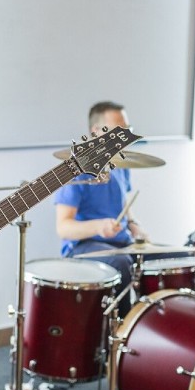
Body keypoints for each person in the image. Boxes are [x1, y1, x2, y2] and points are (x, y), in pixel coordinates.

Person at [53, 101, 147, 318]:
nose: (126, 135)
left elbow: (123, 205)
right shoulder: (75, 169)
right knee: (122, 264)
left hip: (119, 242)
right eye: (119, 130)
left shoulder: (121, 163)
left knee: (165, 257)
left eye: (127, 129)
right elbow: (63, 228)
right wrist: (99, 226)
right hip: (83, 247)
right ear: (97, 132)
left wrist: (134, 225)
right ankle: (123, 332)